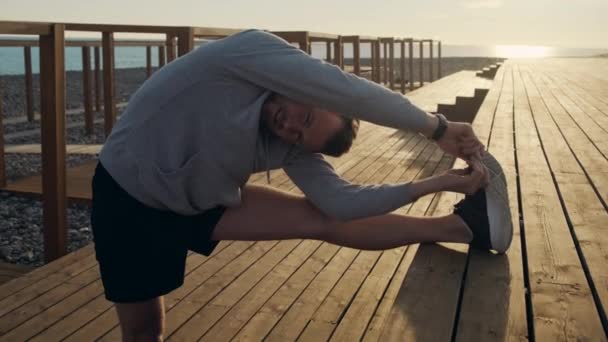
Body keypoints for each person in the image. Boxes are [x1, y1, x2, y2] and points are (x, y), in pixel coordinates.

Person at [91, 29, 512, 341]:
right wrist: (434, 127)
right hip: (126, 199)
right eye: (305, 117)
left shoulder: (290, 144)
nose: (289, 126)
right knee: (144, 329)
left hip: (198, 204)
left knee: (323, 219)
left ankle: (465, 228)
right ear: (311, 92)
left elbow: (341, 203)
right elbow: (348, 90)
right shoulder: (246, 56)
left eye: (298, 134)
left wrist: (433, 183)